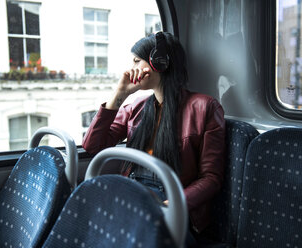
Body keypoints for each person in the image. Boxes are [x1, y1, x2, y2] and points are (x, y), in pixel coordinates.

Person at [82, 32, 226, 243]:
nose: (131, 69)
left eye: (136, 61)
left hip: (170, 197)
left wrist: (170, 205)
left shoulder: (205, 107)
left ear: (158, 63)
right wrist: (119, 95)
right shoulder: (136, 107)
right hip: (133, 189)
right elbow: (92, 145)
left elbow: (211, 178)